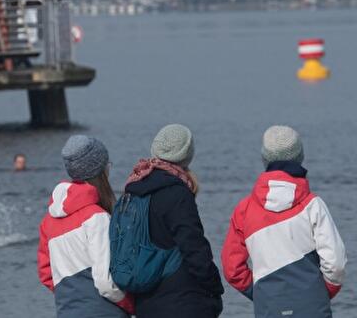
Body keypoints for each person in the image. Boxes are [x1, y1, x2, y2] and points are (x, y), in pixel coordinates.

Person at [222, 125, 347, 318]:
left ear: (265, 158)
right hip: (313, 307)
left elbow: (232, 268)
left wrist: (262, 293)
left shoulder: (244, 209)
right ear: (300, 157)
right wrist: (319, 293)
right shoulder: (313, 205)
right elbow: (335, 264)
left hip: (268, 307)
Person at [123, 124, 224, 318]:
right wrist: (215, 287)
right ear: (187, 155)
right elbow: (194, 249)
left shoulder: (133, 189)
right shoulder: (177, 194)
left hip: (145, 301)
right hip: (183, 302)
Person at [38, 135, 133, 317]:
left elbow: (47, 274)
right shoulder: (97, 218)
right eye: (108, 166)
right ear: (101, 171)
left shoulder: (48, 222)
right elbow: (106, 283)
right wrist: (133, 306)